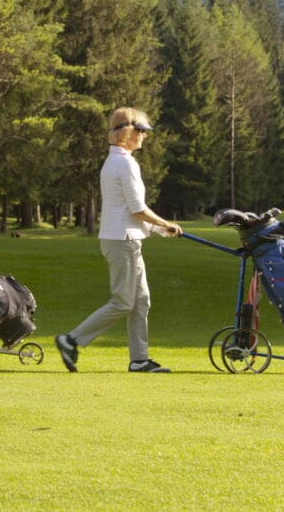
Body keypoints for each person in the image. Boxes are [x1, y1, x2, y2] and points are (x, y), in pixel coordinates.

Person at [56, 107, 182, 373]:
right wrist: (165, 224)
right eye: (142, 132)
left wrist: (160, 230)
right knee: (123, 301)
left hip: (125, 238)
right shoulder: (124, 163)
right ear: (128, 133)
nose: (145, 137)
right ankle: (71, 340)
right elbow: (137, 208)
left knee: (141, 300)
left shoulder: (116, 161)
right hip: (122, 241)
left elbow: (129, 209)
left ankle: (139, 360)